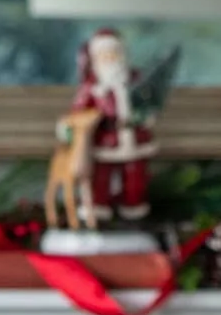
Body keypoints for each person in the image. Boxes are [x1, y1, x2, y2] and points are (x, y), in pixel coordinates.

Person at [66, 28, 155, 224]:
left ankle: (134, 211)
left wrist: (145, 117)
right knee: (101, 178)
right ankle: (98, 211)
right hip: (105, 140)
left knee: (135, 178)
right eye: (104, 55)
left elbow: (148, 103)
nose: (110, 58)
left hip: (134, 138)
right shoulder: (92, 86)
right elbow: (79, 110)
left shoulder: (135, 80)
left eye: (113, 53)